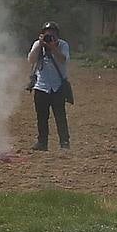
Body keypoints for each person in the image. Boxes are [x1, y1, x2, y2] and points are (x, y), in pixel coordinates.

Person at [27, 21, 71, 150]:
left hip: (57, 86)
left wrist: (53, 47)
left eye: (53, 33)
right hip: (41, 85)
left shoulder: (63, 45)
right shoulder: (38, 44)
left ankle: (64, 143)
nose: (50, 36)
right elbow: (30, 60)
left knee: (60, 116)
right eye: (47, 34)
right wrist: (40, 45)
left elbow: (64, 60)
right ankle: (42, 142)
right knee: (41, 117)